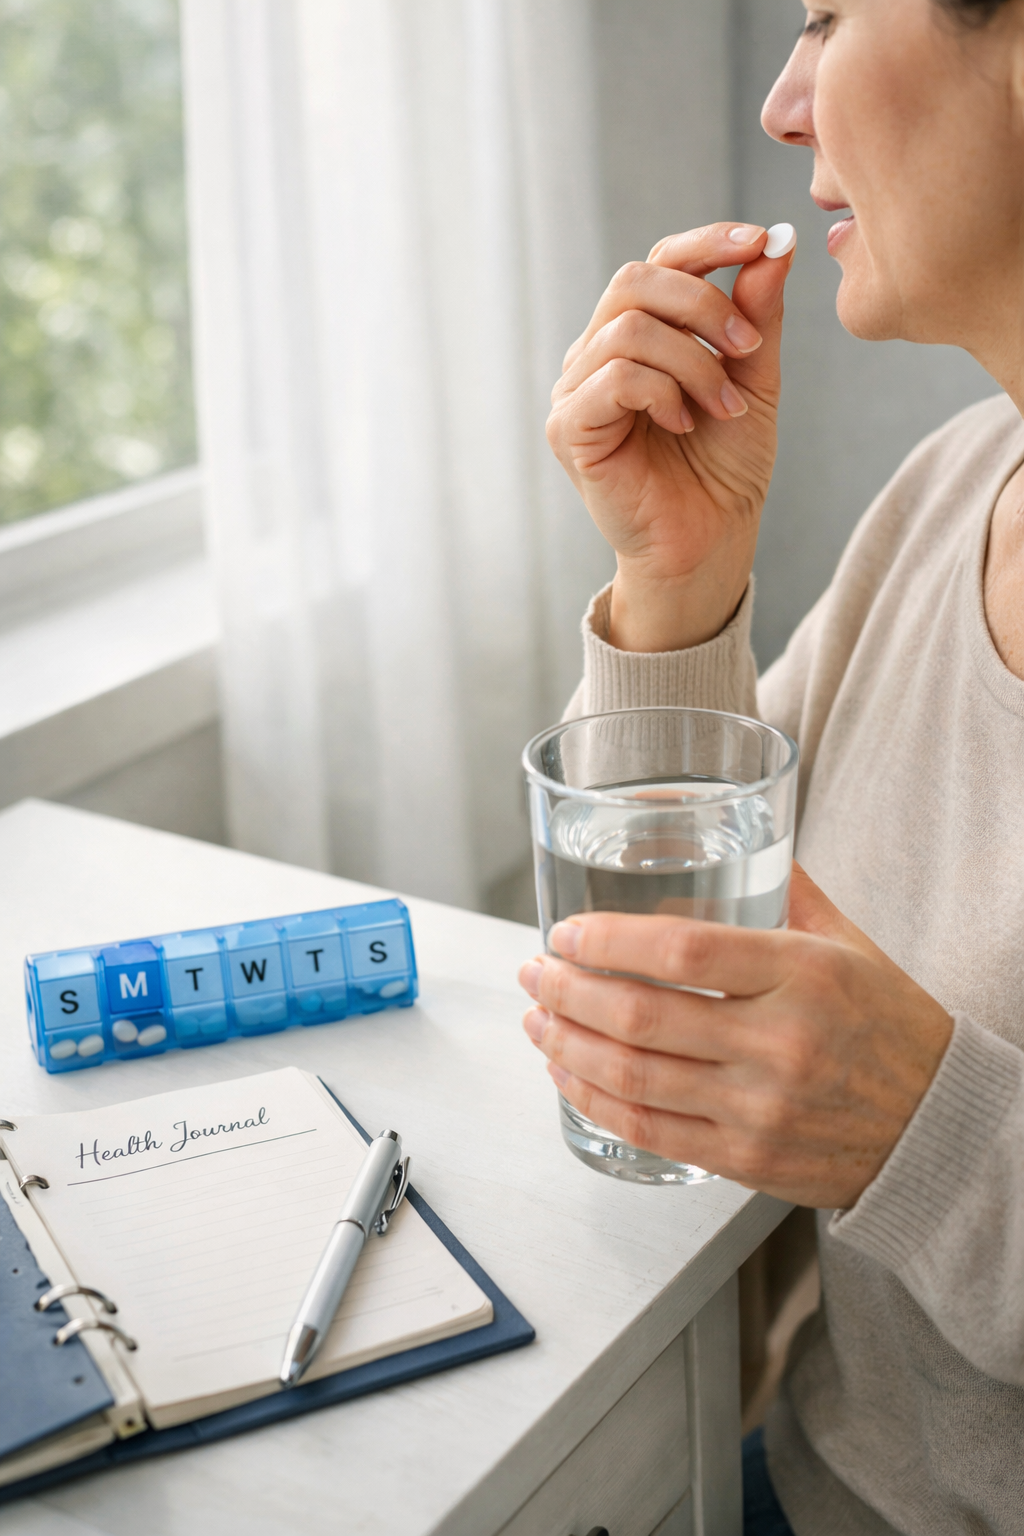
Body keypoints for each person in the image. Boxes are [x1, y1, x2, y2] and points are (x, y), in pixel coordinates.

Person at [517, 2, 1024, 1533]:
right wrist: (677, 584)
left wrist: (925, 1135)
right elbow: (699, 965)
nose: (783, 107)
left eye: (827, 16)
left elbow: (869, 1100)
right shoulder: (950, 494)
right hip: (807, 1488)